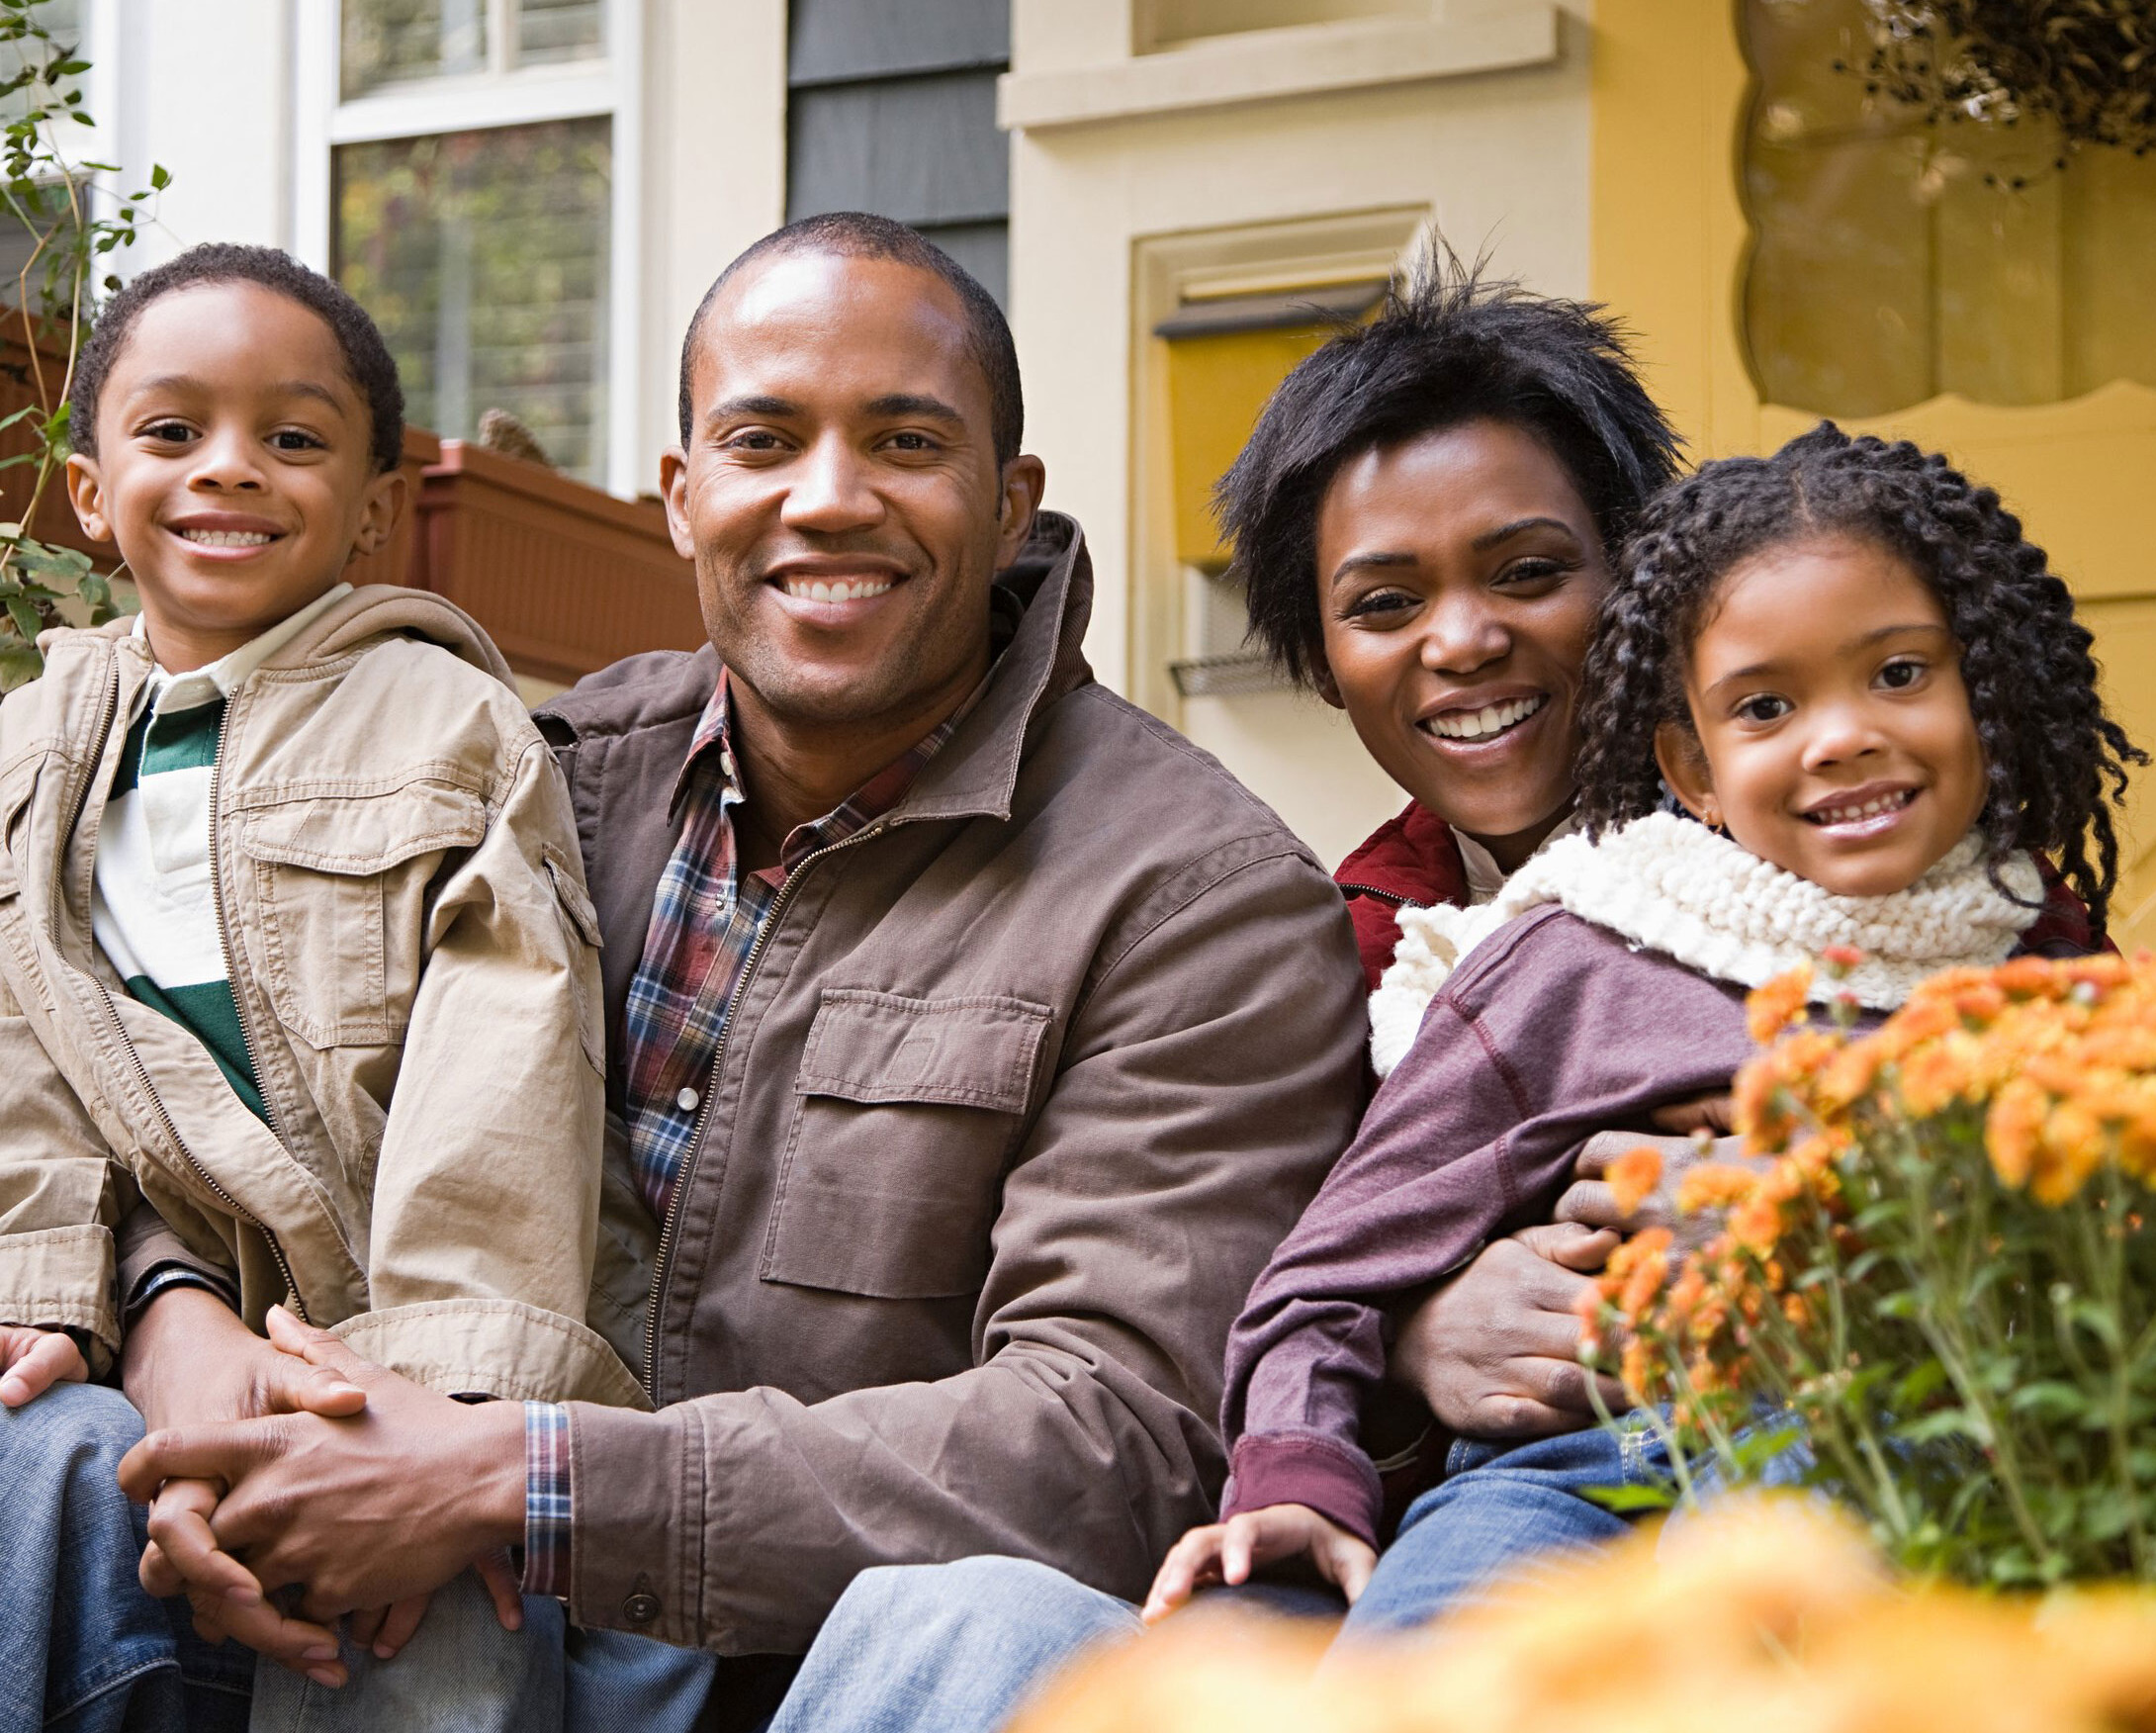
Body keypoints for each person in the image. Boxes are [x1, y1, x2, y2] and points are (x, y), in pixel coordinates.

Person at [99, 212, 1370, 1730]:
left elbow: (1113, 1441)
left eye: (904, 441)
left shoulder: (1192, 898)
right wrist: (182, 1338)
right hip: (391, 1611)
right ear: (683, 498)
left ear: (1008, 497)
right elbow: (194, 1074)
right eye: (764, 441)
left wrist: (521, 1481)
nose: (828, 502)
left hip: (815, 1668)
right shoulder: (526, 777)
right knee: (39, 1469)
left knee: (999, 1620)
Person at [757, 255, 1696, 1733]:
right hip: (1423, 1554)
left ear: (1641, 580)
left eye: (1526, 572)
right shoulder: (1338, 945)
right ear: (1323, 660)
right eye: (1385, 602)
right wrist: (1416, 1334)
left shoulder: (1837, 868)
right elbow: (1262, 1323)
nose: (1461, 642)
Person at [1152, 420, 2136, 1631]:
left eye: (1896, 675)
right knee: (1423, 1673)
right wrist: (1311, 1467)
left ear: (1986, 690)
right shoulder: (1580, 952)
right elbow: (1335, 1266)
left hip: (1880, 1441)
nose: (1841, 736)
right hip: (1557, 1471)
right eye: (1768, 705)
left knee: (1765, 1619)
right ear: (1694, 766)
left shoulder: (2043, 970)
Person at [0, 243, 651, 1730]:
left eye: (291, 439)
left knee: (425, 1639)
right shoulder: (30, 756)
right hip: (160, 1328)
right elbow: (19, 1045)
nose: (230, 470)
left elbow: (508, 1066)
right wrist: (53, 1294)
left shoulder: (449, 730)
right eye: (173, 433)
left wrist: (433, 1403)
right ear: (93, 494)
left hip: (402, 1355)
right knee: (29, 1467)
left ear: (369, 510)